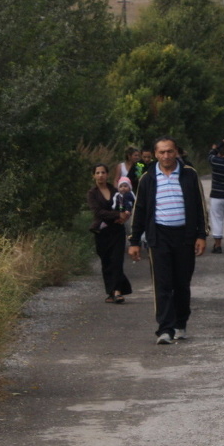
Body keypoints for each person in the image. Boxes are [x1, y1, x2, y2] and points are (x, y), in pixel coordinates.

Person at [128, 136, 209, 345]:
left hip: (185, 236)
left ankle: (181, 323)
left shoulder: (189, 174)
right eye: (162, 152)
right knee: (162, 283)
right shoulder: (147, 178)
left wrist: (201, 235)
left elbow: (200, 206)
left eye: (170, 151)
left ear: (177, 153)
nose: (166, 156)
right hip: (159, 236)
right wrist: (134, 240)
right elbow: (140, 211)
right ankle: (165, 329)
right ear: (155, 154)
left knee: (181, 283)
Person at [87, 164, 133, 304]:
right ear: (94, 175)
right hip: (102, 232)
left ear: (107, 174)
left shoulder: (116, 190)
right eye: (97, 172)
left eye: (103, 172)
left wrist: (124, 215)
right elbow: (98, 212)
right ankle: (111, 292)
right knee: (107, 262)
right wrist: (116, 214)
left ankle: (118, 291)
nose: (100, 175)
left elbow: (126, 205)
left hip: (117, 230)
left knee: (117, 260)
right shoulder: (92, 193)